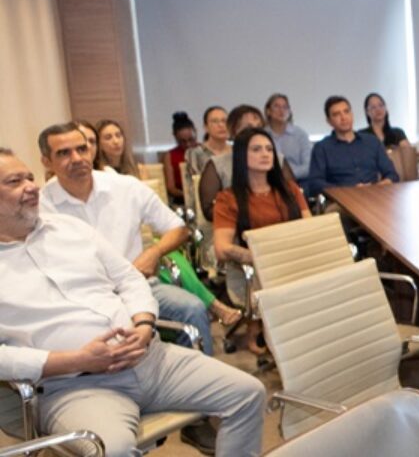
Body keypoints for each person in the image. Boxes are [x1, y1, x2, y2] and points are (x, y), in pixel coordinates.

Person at [0, 147, 266, 457]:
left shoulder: (71, 229)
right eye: (14, 181)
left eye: (30, 177)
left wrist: (143, 323)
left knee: (248, 394)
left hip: (150, 358)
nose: (32, 186)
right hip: (75, 387)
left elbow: (129, 279)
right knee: (110, 451)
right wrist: (75, 360)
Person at [38, 124, 239, 354]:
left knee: (192, 308)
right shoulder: (40, 206)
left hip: (138, 284)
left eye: (82, 149)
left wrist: (152, 253)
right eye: (64, 153)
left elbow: (178, 228)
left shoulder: (125, 187)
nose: (77, 158)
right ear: (46, 161)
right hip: (83, 299)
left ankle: (197, 384)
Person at [213, 128, 311, 356]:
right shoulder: (228, 198)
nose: (266, 154)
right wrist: (260, 257)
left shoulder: (290, 190)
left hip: (297, 259)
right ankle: (260, 329)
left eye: (269, 149)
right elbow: (221, 248)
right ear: (240, 156)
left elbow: (310, 229)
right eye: (256, 149)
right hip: (260, 266)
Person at [309, 95, 399, 194]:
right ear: (329, 121)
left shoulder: (372, 142)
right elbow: (315, 183)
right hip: (341, 199)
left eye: (346, 112)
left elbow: (392, 174)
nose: (343, 118)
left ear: (352, 114)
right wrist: (347, 190)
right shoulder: (322, 148)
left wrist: (376, 188)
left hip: (374, 195)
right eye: (336, 114)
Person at [199, 105, 270, 221]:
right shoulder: (217, 165)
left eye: (259, 128)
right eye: (248, 127)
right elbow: (209, 210)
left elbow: (291, 198)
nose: (256, 133)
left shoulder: (274, 159)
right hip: (234, 228)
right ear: (233, 131)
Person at [265, 92, 312, 185]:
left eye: (285, 107)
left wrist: (288, 174)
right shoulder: (262, 135)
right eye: (276, 106)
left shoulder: (300, 134)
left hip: (298, 181)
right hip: (269, 181)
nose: (281, 110)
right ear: (268, 111)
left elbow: (308, 166)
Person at [186, 105, 229, 177]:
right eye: (215, 121)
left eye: (224, 121)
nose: (221, 125)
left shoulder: (237, 151)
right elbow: (193, 182)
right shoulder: (195, 153)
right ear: (206, 127)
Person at [164, 111, 197, 203]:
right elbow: (171, 188)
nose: (188, 144)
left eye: (191, 139)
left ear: (195, 132)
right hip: (181, 198)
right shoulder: (170, 155)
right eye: (182, 141)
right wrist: (188, 195)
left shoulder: (203, 150)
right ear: (175, 137)